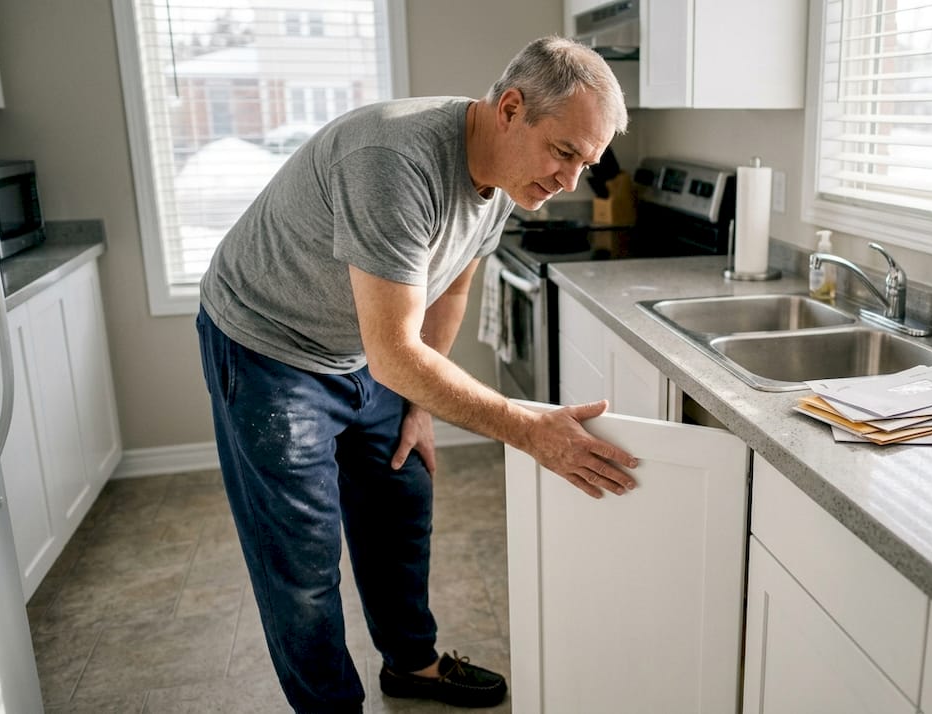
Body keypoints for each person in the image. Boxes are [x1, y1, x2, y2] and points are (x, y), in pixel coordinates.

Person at [195, 36, 637, 713]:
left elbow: (450, 288)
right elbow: (395, 354)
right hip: (269, 349)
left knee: (402, 501)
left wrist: (419, 406)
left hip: (366, 347)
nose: (570, 182)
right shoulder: (393, 161)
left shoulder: (504, 177)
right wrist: (528, 430)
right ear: (511, 108)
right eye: (565, 152)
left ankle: (412, 666)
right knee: (303, 564)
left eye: (588, 161)